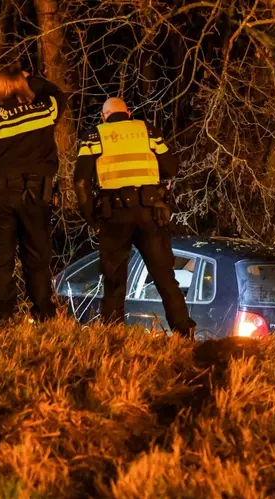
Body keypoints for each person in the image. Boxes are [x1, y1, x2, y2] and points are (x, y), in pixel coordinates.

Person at [74, 97, 197, 338]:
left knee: (114, 279)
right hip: (150, 213)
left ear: (103, 117)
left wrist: (92, 218)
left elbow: (80, 181)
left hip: (114, 214)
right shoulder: (148, 130)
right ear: (128, 112)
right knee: (164, 277)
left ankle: (113, 334)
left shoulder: (94, 136)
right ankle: (184, 331)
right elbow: (171, 168)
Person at [0, 64, 66, 324]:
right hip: (35, 194)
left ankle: (1, 317)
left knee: (0, 259)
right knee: (37, 257)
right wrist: (32, 80)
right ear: (23, 85)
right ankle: (43, 313)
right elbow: (57, 94)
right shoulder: (42, 110)